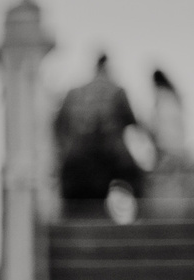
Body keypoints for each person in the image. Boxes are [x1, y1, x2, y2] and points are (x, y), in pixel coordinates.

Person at [53, 52, 148, 218]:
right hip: (110, 157)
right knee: (138, 179)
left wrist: (63, 150)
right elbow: (133, 122)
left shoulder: (74, 92)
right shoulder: (117, 90)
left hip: (76, 157)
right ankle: (142, 223)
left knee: (71, 201)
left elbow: (57, 125)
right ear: (107, 67)